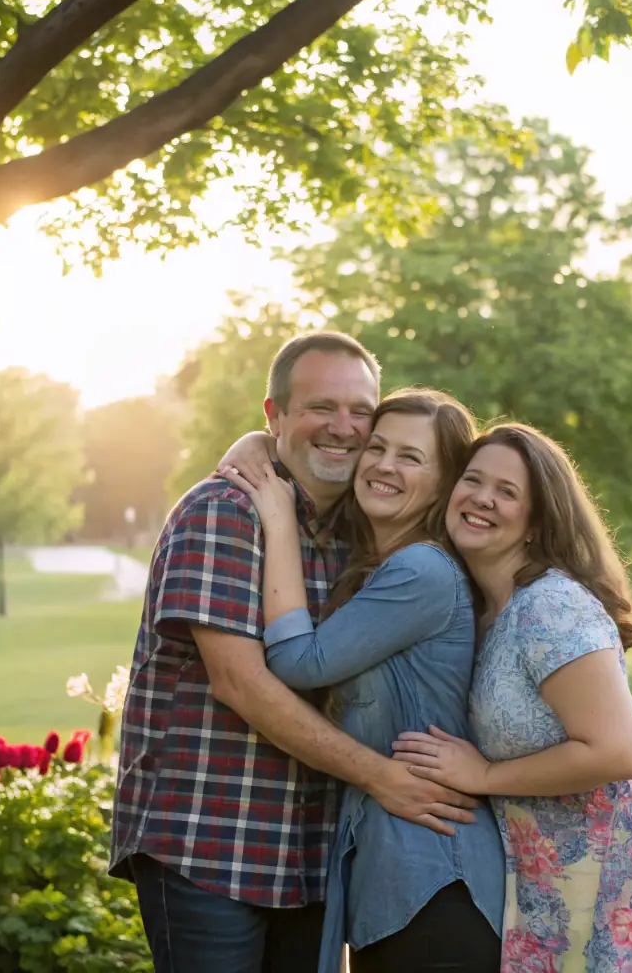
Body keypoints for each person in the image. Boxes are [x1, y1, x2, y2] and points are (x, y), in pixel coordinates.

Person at [110, 333, 479, 973]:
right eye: (319, 407)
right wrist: (379, 776)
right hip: (210, 840)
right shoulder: (222, 513)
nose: (343, 427)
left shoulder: (364, 537)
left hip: (311, 855)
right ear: (274, 415)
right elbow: (241, 683)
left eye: (360, 412)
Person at [393, 423, 632, 973]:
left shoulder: (551, 608)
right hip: (548, 874)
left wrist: (483, 776)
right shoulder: (479, 607)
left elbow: (617, 753)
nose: (483, 498)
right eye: (473, 480)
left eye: (507, 492)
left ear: (537, 521)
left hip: (611, 870)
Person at [220, 389, 504, 973]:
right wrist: (258, 442)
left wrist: (274, 518)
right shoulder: (378, 559)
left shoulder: (420, 569)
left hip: (434, 873)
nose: (382, 464)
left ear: (446, 482)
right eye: (377, 447)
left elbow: (299, 662)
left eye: (410, 457)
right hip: (397, 870)